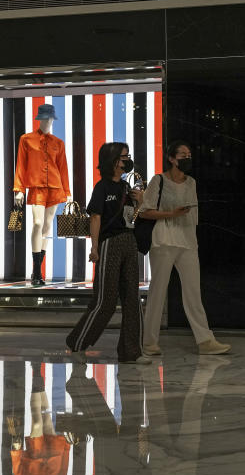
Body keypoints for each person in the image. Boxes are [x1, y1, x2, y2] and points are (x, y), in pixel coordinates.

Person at [138, 141, 230, 357]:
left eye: (189, 154)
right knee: (158, 291)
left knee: (193, 292)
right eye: (182, 154)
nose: (187, 158)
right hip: (163, 240)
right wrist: (172, 214)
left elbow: (193, 214)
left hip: (187, 240)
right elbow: (145, 212)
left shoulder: (191, 183)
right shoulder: (158, 180)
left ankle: (205, 340)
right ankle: (149, 342)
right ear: (171, 158)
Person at [65, 142, 150, 364]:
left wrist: (140, 203)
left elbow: (130, 220)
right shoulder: (102, 187)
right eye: (124, 157)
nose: (127, 160)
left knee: (132, 298)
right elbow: (95, 217)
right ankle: (78, 342)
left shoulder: (125, 188)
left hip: (128, 241)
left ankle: (132, 352)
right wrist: (94, 248)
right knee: (106, 300)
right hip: (109, 243)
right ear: (113, 161)